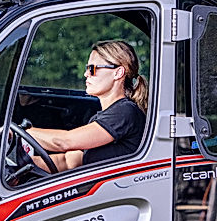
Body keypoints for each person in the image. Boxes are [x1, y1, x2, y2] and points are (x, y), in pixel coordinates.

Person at [24, 40, 148, 173]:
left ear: (118, 73)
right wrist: (22, 164)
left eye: (92, 68)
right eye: (87, 68)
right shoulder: (103, 118)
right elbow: (67, 162)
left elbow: (64, 141)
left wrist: (23, 132)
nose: (86, 74)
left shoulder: (125, 112)